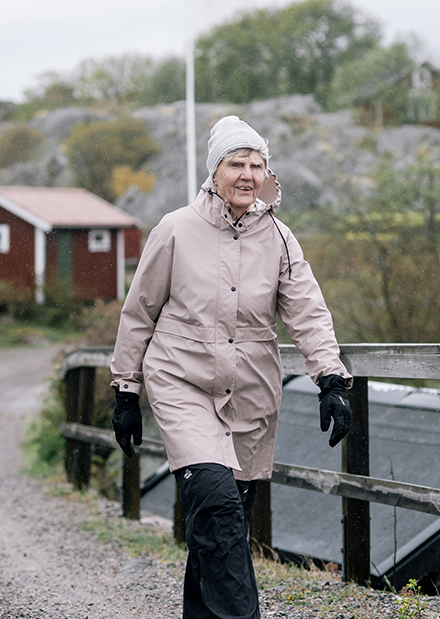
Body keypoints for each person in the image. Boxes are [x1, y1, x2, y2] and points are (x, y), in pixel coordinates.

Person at [110, 115, 353, 619]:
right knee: (216, 502)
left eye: (256, 164)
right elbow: (139, 312)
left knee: (223, 521)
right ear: (213, 171)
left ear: (267, 173)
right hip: (183, 382)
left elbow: (307, 311)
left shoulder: (280, 239)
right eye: (235, 163)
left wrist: (330, 378)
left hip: (249, 393)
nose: (247, 174)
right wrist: (126, 390)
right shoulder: (175, 229)